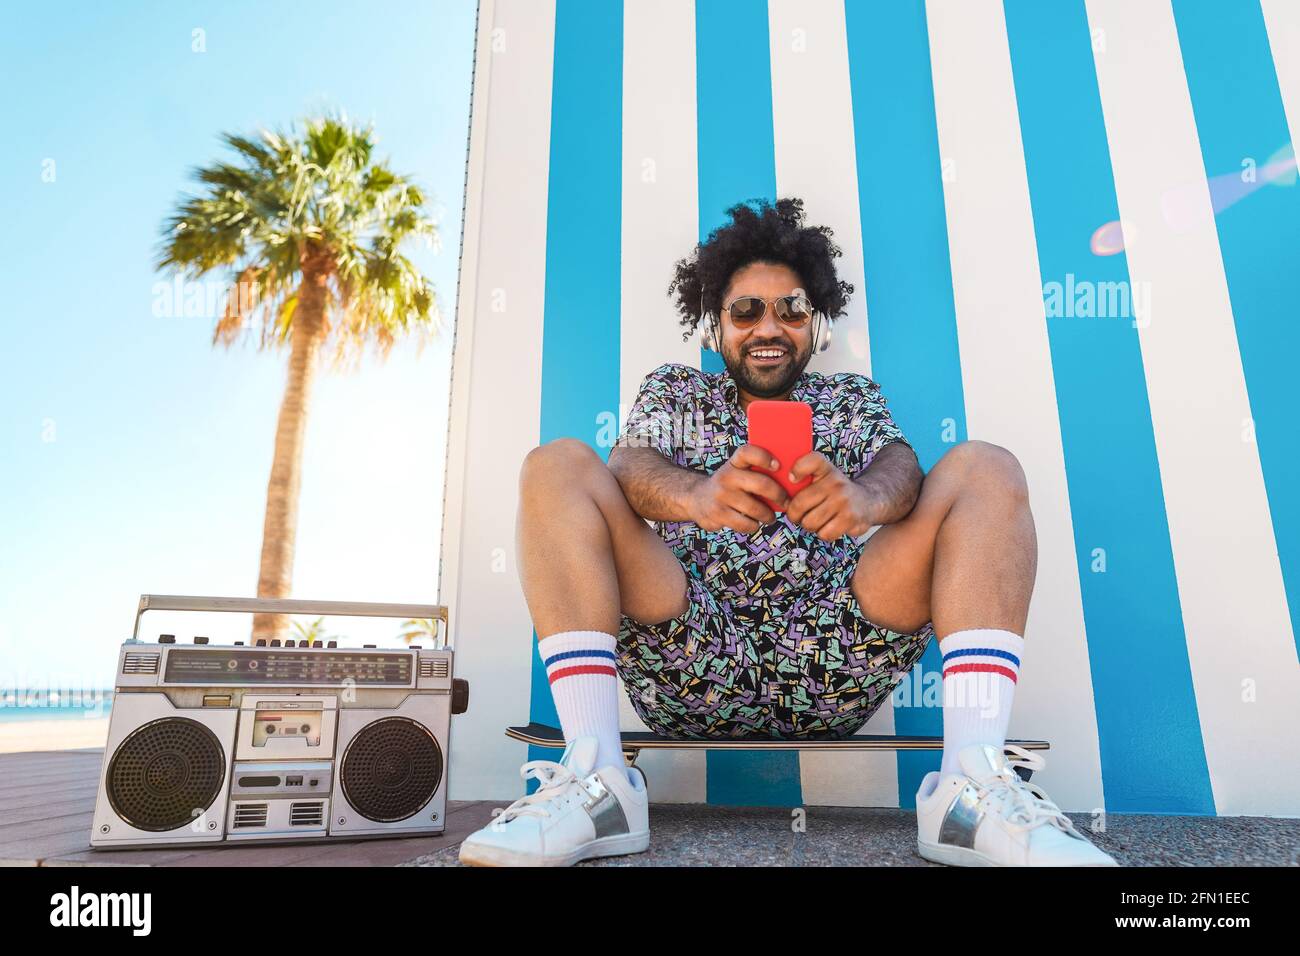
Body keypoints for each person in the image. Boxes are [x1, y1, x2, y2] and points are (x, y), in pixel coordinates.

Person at [458, 197, 1116, 867]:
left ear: (815, 323)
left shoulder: (849, 399)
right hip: (687, 644)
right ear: (715, 326)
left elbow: (901, 466)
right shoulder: (678, 392)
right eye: (745, 310)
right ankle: (599, 785)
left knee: (984, 468)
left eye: (791, 310)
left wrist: (863, 500)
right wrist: (698, 495)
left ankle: (969, 790)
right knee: (557, 466)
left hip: (837, 649)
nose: (767, 326)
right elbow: (629, 464)